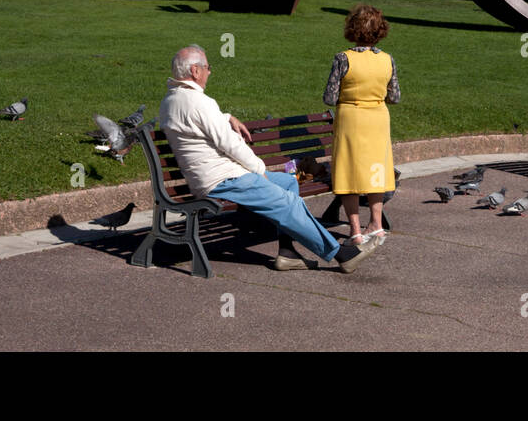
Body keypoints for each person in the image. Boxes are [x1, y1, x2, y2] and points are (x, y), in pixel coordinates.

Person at [160, 44, 377, 273]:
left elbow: (195, 122)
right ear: (195, 71)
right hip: (223, 181)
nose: (209, 72)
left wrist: (227, 116)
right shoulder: (198, 102)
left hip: (215, 177)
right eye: (207, 67)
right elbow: (229, 143)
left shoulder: (173, 99)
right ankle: (341, 254)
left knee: (288, 182)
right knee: (289, 202)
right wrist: (258, 168)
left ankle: (287, 253)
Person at [323, 4, 399, 246]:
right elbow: (395, 97)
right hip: (377, 118)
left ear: (352, 29)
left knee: (349, 173)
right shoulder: (387, 59)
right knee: (377, 169)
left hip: (351, 118)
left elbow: (329, 98)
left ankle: (355, 230)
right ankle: (376, 223)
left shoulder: (343, 58)